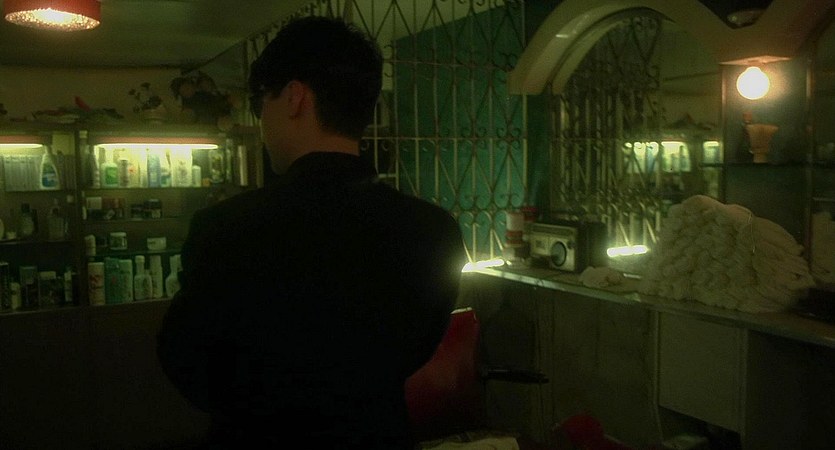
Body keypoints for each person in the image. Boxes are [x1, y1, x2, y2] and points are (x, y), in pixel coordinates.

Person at [156, 15, 467, 450]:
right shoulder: (435, 231)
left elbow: (186, 362)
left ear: (294, 97)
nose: (262, 121)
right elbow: (416, 350)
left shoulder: (226, 228)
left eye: (261, 103)